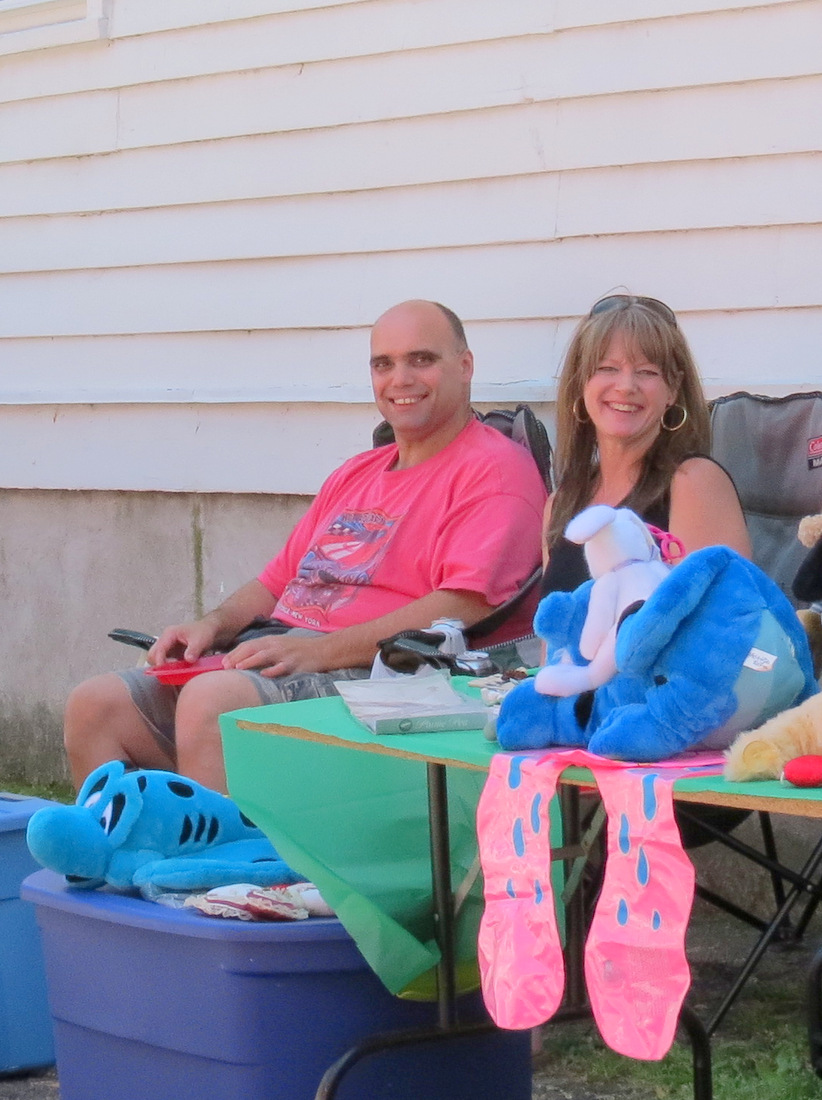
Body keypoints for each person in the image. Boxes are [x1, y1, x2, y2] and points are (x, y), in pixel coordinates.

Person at [64, 300, 548, 793]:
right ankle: (132, 839)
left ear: (465, 366)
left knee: (212, 702)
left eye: (421, 359)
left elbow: (463, 606)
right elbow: (276, 582)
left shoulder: (495, 470)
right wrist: (209, 627)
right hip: (284, 652)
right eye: (383, 364)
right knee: (95, 706)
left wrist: (319, 652)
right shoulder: (355, 473)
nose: (400, 379)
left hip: (389, 672)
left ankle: (231, 846)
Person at [541, 292, 751, 596]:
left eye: (647, 372)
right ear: (580, 381)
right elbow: (550, 624)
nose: (626, 386)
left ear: (673, 389)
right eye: (607, 368)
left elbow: (723, 618)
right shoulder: (560, 503)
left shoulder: (693, 484)